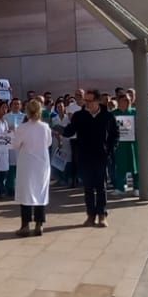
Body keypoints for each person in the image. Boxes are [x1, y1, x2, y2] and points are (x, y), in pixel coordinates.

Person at [60, 89, 119, 227]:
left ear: (98, 101)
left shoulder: (107, 116)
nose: (87, 103)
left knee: (101, 186)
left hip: (101, 155)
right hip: (84, 156)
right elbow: (70, 130)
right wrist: (59, 129)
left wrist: (109, 150)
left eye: (90, 101)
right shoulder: (79, 116)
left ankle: (102, 215)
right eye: (85, 101)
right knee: (87, 187)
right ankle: (90, 215)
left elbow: (114, 135)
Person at [12, 99, 53, 235]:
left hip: (27, 164)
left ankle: (25, 226)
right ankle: (39, 224)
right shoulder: (45, 127)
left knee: (26, 193)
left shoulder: (22, 128)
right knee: (40, 192)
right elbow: (48, 143)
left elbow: (15, 144)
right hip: (41, 163)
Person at [110, 93, 137, 192]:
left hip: (132, 143)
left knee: (135, 165)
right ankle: (120, 186)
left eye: (127, 100)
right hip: (119, 144)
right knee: (120, 165)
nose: (124, 102)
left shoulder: (134, 112)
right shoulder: (113, 114)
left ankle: (137, 187)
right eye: (122, 100)